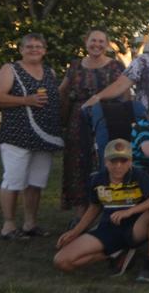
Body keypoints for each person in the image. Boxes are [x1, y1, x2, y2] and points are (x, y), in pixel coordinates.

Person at [53, 138, 149, 281]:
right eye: (113, 161)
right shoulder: (97, 180)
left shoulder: (138, 175)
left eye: (123, 161)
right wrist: (75, 231)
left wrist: (130, 211)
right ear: (105, 161)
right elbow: (94, 207)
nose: (118, 166)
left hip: (135, 228)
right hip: (108, 228)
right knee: (61, 261)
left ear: (130, 161)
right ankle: (115, 253)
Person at [0, 32, 64, 240]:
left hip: (44, 135)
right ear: (21, 49)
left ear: (44, 50)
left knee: (35, 182)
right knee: (13, 180)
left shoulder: (49, 72)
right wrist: (26, 100)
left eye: (38, 47)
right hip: (17, 134)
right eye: (29, 46)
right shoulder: (10, 69)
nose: (34, 50)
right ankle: (9, 226)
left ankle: (30, 223)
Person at [58, 28, 126, 218]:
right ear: (86, 42)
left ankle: (107, 212)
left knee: (106, 162)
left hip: (107, 119)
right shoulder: (75, 65)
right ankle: (81, 216)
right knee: (78, 165)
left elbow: (124, 92)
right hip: (78, 121)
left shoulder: (115, 66)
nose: (96, 45)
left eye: (101, 41)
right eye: (93, 41)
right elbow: (62, 90)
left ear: (107, 44)